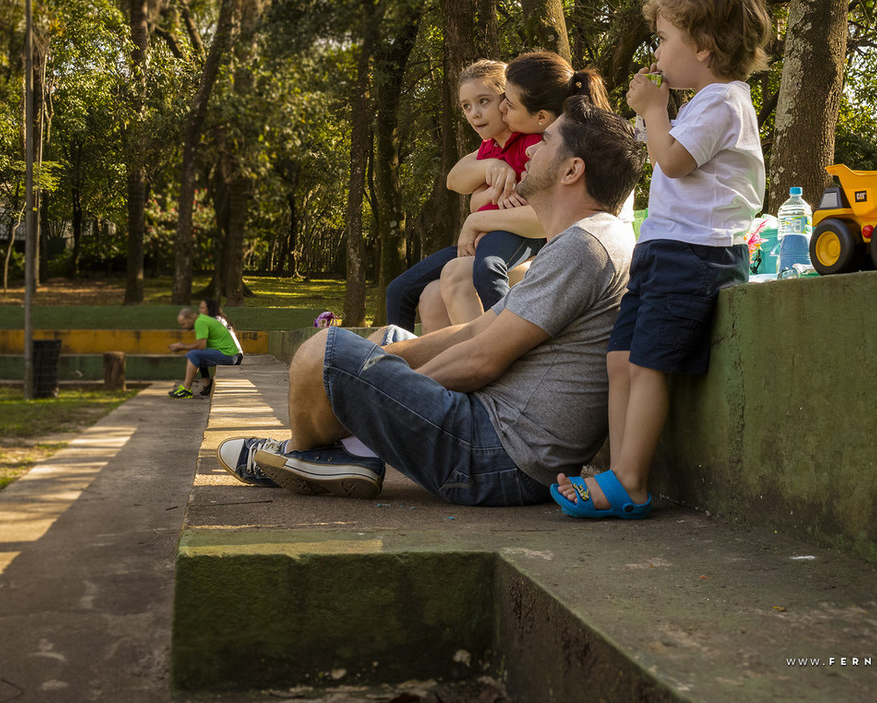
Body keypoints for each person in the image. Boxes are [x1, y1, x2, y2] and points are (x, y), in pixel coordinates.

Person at [215, 96, 642, 506]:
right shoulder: (584, 240)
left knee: (323, 353)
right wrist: (378, 371)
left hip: (498, 457)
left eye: (545, 141)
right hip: (495, 439)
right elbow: (474, 330)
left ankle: (302, 453)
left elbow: (481, 360)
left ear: (572, 170)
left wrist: (378, 394)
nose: (529, 150)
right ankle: (344, 455)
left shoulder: (585, 246)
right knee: (387, 338)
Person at [553, 0, 773, 519]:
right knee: (620, 359)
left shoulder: (725, 102)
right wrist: (652, 111)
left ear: (702, 45)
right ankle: (616, 469)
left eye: (663, 38)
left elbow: (671, 161)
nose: (655, 51)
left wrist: (655, 110)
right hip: (663, 250)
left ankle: (631, 481)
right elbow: (659, 149)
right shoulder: (702, 102)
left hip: (697, 254)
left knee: (648, 363)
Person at [425, 51, 616, 330]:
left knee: (458, 273)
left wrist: (476, 219)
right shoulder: (528, 144)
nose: (502, 109)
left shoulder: (558, 151)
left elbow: (545, 218)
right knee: (431, 295)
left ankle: (493, 346)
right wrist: (488, 177)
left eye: (509, 104)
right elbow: (457, 181)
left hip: (571, 262)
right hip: (549, 252)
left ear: (540, 117)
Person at [383, 59, 547, 332]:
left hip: (515, 237)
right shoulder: (488, 148)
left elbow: (537, 202)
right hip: (481, 238)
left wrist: (496, 194)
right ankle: (395, 354)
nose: (474, 114)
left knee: (485, 269)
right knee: (398, 290)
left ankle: (502, 339)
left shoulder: (529, 141)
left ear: (506, 101)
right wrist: (491, 173)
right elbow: (455, 182)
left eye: (483, 101)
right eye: (466, 106)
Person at [167, 306, 243, 399]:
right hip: (230, 354)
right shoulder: (202, 320)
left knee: (193, 354)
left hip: (230, 356)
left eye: (183, 324)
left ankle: (186, 389)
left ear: (189, 318)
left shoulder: (200, 322)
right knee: (197, 355)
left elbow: (200, 345)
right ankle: (205, 384)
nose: (184, 327)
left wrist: (182, 346)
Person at [197, 298, 244, 397]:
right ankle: (205, 383)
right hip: (237, 354)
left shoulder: (215, 321)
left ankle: (206, 384)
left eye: (202, 308)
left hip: (232, 355)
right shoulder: (221, 319)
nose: (200, 311)